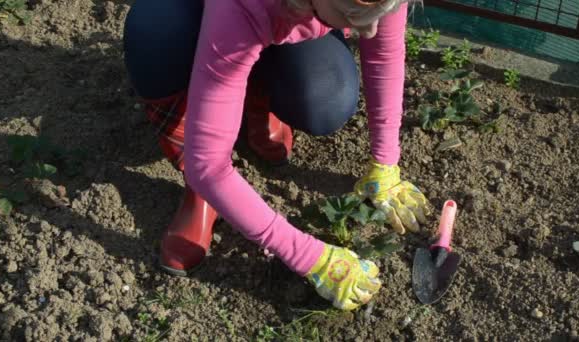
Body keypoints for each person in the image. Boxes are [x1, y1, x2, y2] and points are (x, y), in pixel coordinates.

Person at [123, 0, 430, 311]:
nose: (369, 29)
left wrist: (385, 162)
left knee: (324, 97)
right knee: (155, 35)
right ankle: (200, 177)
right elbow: (209, 166)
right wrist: (312, 258)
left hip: (278, 11)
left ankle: (257, 94)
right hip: (200, 9)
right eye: (353, 16)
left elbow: (384, 51)